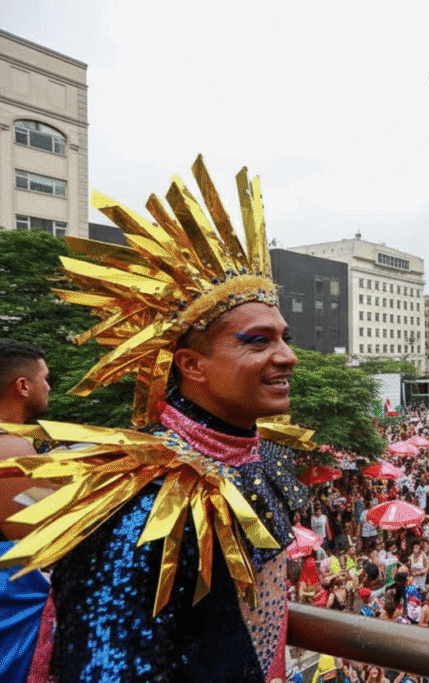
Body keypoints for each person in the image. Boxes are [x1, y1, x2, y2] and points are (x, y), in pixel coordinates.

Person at [0, 158, 309, 682]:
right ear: (191, 365)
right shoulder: (142, 498)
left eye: (284, 338)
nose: (287, 356)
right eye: (257, 340)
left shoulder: (266, 456)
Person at [0, 340, 54, 683]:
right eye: (45, 378)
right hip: (14, 618)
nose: (49, 387)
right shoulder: (13, 450)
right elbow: (34, 539)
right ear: (22, 386)